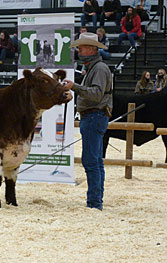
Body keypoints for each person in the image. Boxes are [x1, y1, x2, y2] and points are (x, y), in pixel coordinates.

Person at [64, 32, 112, 211]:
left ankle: (94, 203)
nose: (79, 50)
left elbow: (96, 94)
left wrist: (74, 87)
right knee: (96, 161)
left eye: (82, 47)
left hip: (94, 116)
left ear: (91, 50)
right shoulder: (95, 68)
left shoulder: (98, 69)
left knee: (91, 161)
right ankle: (95, 200)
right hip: (94, 116)